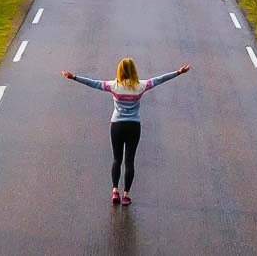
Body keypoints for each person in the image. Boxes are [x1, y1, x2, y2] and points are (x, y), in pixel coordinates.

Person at [62, 58, 191, 205]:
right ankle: (126, 196)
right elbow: (160, 79)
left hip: (117, 125)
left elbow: (93, 83)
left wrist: (74, 77)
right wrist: (178, 72)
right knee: (129, 161)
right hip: (133, 126)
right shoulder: (141, 86)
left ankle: (115, 191)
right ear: (134, 70)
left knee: (117, 159)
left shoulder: (114, 85)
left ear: (119, 70)